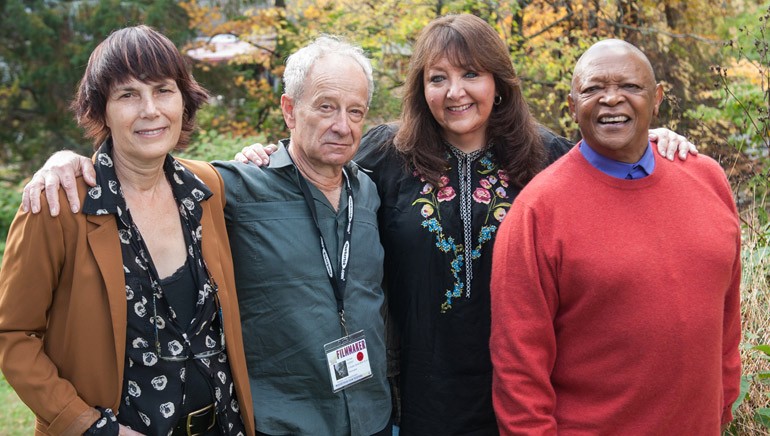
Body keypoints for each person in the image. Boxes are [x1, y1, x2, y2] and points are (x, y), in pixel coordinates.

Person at [232, 14, 698, 436]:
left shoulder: (547, 157)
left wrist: (650, 140)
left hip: (525, 392)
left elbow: (618, 176)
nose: (455, 92)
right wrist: (266, 155)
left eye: (471, 74)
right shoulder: (388, 154)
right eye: (439, 78)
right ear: (422, 90)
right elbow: (320, 160)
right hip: (414, 396)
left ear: (498, 83)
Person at [19, 35, 392, 436]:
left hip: (362, 416)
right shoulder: (231, 186)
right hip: (281, 422)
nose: (342, 125)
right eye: (325, 107)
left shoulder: (369, 191)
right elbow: (141, 167)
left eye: (356, 111)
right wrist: (63, 160)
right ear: (290, 109)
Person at [0, 26, 254, 435]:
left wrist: (256, 154)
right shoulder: (58, 205)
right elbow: (13, 334)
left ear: (184, 101)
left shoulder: (206, 189)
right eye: (128, 95)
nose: (150, 109)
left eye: (163, 90)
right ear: (100, 110)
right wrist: (88, 426)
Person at [489, 39, 741, 434]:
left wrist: (723, 406)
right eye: (593, 89)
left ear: (656, 98)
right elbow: (518, 365)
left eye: (630, 87)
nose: (611, 99)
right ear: (572, 106)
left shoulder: (707, 179)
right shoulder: (538, 211)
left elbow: (727, 313)